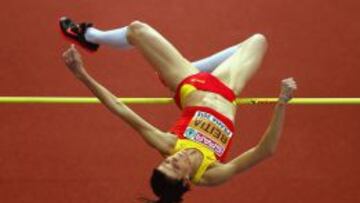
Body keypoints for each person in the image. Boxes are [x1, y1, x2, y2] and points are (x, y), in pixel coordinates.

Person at [60, 17, 297, 203]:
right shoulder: (212, 173)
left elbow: (120, 109)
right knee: (258, 41)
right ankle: (194, 67)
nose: (174, 158)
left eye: (167, 161)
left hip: (191, 83)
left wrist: (82, 75)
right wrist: (282, 103)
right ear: (185, 179)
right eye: (175, 165)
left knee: (137, 30)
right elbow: (266, 150)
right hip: (228, 88)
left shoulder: (169, 145)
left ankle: (89, 35)